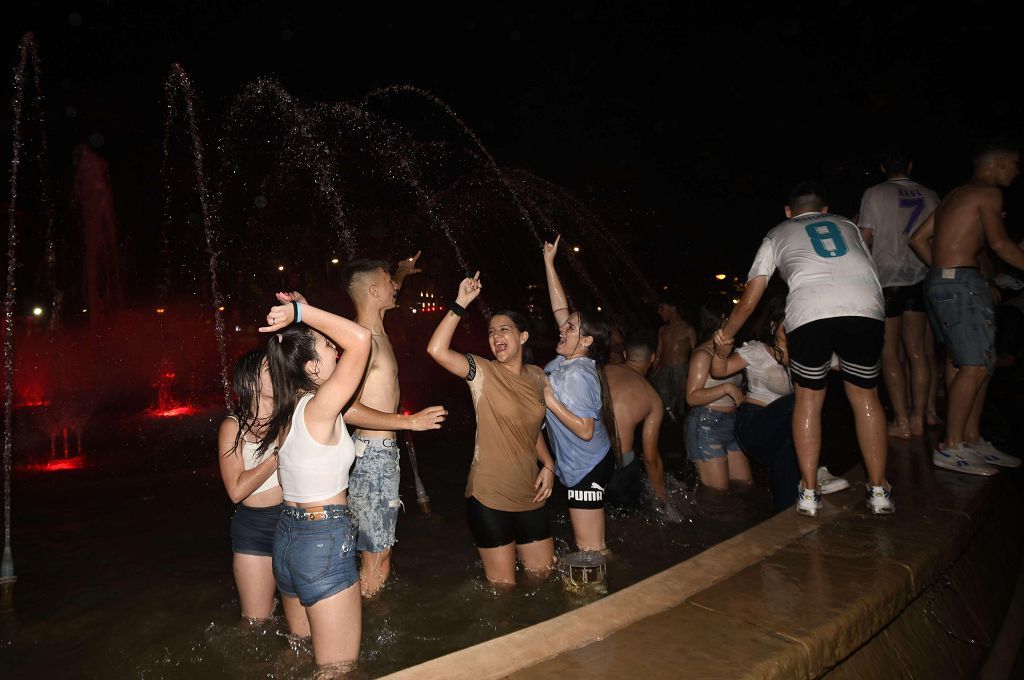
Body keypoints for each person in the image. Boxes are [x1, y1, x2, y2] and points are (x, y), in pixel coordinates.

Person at [716, 181, 893, 516]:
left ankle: (809, 492)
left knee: (809, 400)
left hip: (809, 312)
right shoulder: (849, 226)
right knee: (866, 397)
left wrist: (725, 335)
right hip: (866, 308)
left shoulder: (777, 232)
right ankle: (880, 489)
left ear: (788, 211)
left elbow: (751, 297)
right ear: (825, 210)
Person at [313, 252, 447, 598]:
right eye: (387, 284)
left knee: (378, 549)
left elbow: (391, 288)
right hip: (372, 457)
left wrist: (400, 271)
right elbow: (348, 410)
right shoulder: (366, 344)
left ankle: (365, 615)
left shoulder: (376, 328)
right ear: (373, 292)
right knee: (377, 554)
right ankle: (365, 621)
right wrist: (409, 422)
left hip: (378, 455)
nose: (395, 289)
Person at [257, 299, 371, 674]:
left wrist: (304, 315)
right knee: (338, 669)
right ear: (312, 367)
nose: (335, 350)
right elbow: (360, 338)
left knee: (302, 654)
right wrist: (302, 316)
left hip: (288, 539)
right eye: (326, 348)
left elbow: (339, 343)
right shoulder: (319, 408)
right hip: (322, 538)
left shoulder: (286, 412)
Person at [426, 272, 556, 585]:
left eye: (504, 329)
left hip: (530, 492)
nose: (496, 336)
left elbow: (529, 427)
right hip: (489, 496)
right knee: (503, 590)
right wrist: (460, 304)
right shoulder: (482, 372)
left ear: (523, 337)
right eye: (491, 331)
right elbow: (437, 351)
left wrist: (549, 464)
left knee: (544, 578)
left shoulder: (538, 376)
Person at [909, 139, 1024, 473]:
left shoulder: (955, 196)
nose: (1016, 172)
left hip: (947, 281)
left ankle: (972, 440)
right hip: (960, 283)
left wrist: (944, 271)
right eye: (1014, 164)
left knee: (974, 363)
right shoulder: (988, 193)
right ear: (998, 162)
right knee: (975, 365)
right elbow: (1000, 243)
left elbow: (917, 239)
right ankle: (952, 446)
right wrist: (955, 274)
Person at [710, 289, 848, 512]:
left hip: (786, 433)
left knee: (789, 496)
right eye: (789, 323)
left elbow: (849, 365)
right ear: (774, 325)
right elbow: (719, 370)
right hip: (755, 427)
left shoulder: (806, 354)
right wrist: (721, 352)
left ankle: (794, 527)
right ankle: (819, 470)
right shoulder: (758, 350)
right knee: (803, 400)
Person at [541, 235, 617, 553]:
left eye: (571, 328)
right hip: (587, 463)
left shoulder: (576, 374)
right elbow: (560, 308)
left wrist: (547, 400)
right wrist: (549, 262)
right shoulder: (572, 357)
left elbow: (585, 430)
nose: (563, 328)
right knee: (591, 542)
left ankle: (601, 596)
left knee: (589, 547)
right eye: (567, 325)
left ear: (586, 341)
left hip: (587, 464)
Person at [857, 151, 940, 438]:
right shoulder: (931, 195)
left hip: (887, 278)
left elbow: (865, 237)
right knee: (917, 351)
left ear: (882, 167)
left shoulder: (874, 193)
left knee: (889, 350)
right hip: (920, 275)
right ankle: (919, 417)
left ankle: (902, 421)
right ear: (911, 165)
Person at [218, 348, 290, 625]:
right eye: (269, 368)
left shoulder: (291, 416)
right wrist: (276, 458)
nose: (278, 370)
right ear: (250, 382)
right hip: (254, 529)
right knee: (255, 622)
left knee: (303, 615)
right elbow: (236, 491)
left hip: (293, 521)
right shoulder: (232, 427)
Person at [684, 296, 752, 491]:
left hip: (732, 424)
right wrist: (727, 388)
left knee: (745, 486)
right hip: (706, 424)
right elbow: (691, 397)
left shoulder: (734, 352)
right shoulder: (702, 354)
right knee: (718, 495)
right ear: (723, 320)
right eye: (733, 316)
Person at [603, 330, 672, 511]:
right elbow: (650, 458)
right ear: (652, 358)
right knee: (626, 520)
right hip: (620, 467)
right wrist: (661, 496)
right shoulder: (652, 398)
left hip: (586, 459)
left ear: (625, 354)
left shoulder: (599, 370)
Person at [651, 293, 696, 421]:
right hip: (664, 369)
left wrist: (692, 375)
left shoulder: (688, 330)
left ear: (672, 308)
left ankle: (681, 425)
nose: (660, 312)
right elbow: (659, 353)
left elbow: (695, 354)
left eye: (662, 308)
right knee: (662, 401)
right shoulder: (662, 329)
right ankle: (669, 425)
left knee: (681, 402)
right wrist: (653, 372)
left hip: (681, 369)